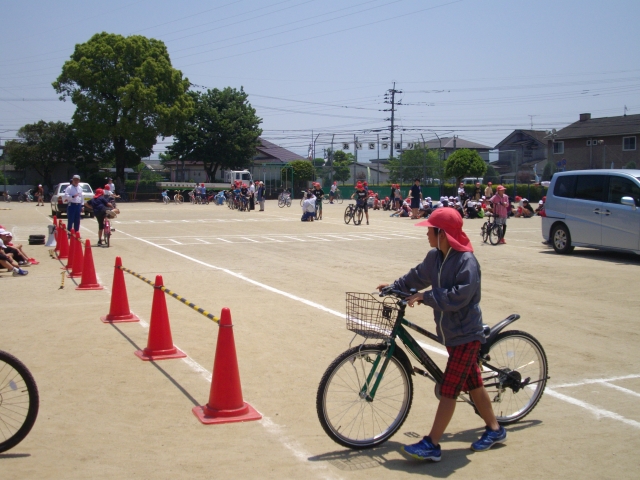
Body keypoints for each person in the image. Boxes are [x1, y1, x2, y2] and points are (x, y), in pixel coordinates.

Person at [377, 207, 506, 462]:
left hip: (466, 334)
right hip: (450, 333)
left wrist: (427, 297)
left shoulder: (466, 261)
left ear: (443, 234)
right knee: (474, 383)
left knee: (449, 390)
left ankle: (432, 444)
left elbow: (459, 295)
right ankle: (495, 429)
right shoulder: (435, 257)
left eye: (430, 230)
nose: (427, 233)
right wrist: (395, 287)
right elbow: (417, 276)